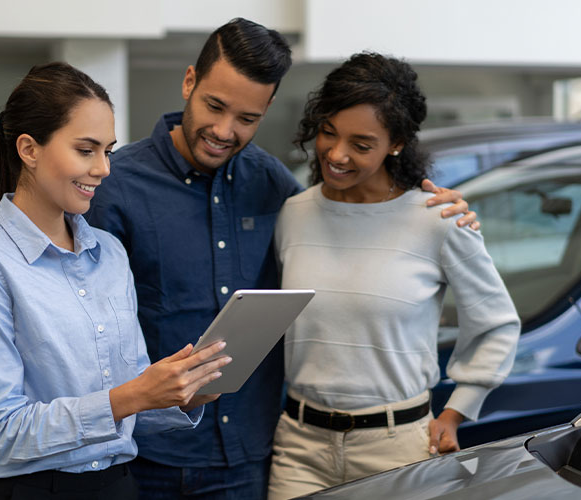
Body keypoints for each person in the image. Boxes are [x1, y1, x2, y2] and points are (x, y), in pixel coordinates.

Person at [88, 19, 478, 499]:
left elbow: (352, 232)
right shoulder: (114, 187)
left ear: (267, 109)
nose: (224, 131)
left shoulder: (275, 187)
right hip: (147, 458)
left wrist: (429, 206)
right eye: (214, 106)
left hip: (252, 457)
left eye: (247, 118)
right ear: (189, 82)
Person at [0, 62, 231, 500]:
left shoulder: (110, 253)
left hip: (117, 486)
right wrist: (130, 396)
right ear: (29, 149)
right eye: (86, 150)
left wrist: (179, 395)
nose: (104, 168)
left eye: (108, 151)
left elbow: (129, 394)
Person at [267, 52, 521, 499]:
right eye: (328, 131)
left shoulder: (437, 219)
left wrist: (458, 411)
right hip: (300, 447)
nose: (337, 154)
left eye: (361, 144)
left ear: (396, 143)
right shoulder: (294, 214)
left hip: (398, 448)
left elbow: (497, 324)